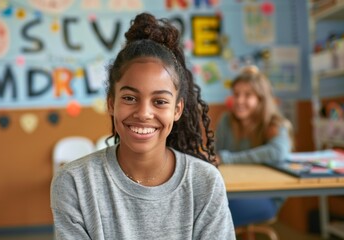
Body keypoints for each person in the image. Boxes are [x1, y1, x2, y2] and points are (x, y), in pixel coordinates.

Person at [51, 12, 235, 240]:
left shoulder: (205, 182)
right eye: (129, 98)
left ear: (177, 110)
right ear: (111, 103)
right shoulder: (75, 181)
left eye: (160, 101)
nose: (144, 113)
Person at [215, 65, 293, 229]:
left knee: (213, 213)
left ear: (261, 99)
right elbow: (215, 155)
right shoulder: (225, 121)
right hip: (231, 191)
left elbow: (278, 152)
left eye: (248, 95)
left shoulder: (275, 124)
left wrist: (228, 158)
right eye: (236, 94)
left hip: (266, 196)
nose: (239, 100)